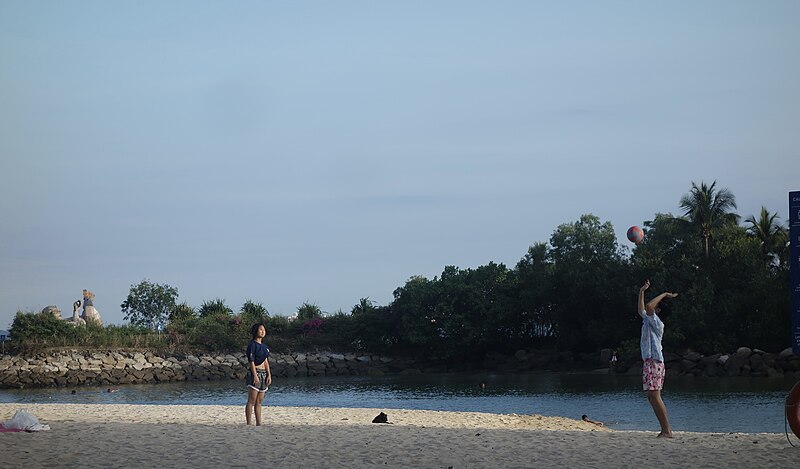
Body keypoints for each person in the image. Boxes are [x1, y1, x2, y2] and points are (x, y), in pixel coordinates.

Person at [639, 279, 677, 438]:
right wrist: (642, 292)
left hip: (654, 361)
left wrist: (664, 294)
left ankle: (666, 431)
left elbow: (648, 307)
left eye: (655, 308)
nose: (652, 308)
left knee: (655, 395)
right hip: (650, 361)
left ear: (658, 311)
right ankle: (664, 430)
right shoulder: (649, 320)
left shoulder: (658, 323)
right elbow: (642, 309)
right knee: (651, 396)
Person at [245, 323, 272, 426]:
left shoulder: (265, 347)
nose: (262, 331)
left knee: (259, 401)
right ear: (255, 331)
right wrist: (255, 375)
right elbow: (251, 360)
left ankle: (259, 423)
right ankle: (249, 423)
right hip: (255, 372)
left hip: (264, 374)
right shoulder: (252, 345)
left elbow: (266, 361)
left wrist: (269, 374)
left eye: (264, 329)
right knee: (251, 400)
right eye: (260, 329)